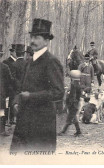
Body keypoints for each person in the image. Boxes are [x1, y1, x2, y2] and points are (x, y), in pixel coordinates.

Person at [10, 18, 64, 153]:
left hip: (42, 124)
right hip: (23, 122)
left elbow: (58, 92)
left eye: (37, 37)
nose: (32, 41)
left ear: (46, 41)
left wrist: (31, 96)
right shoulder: (28, 61)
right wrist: (16, 100)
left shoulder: (51, 61)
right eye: (32, 37)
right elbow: (21, 87)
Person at [58, 70, 82, 136]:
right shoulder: (78, 85)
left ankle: (63, 131)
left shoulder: (73, 84)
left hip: (72, 104)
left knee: (69, 119)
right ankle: (78, 131)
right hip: (75, 104)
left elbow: (72, 96)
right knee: (74, 118)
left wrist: (68, 104)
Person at [0, 44, 14, 136]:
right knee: (1, 112)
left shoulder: (5, 67)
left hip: (2, 95)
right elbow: (10, 82)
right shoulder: (5, 67)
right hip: (1, 95)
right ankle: (1, 130)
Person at [3, 44, 17, 125]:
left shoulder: (17, 62)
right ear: (11, 52)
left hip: (14, 87)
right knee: (7, 104)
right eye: (15, 52)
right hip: (8, 86)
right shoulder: (6, 62)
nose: (16, 54)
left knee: (13, 103)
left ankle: (12, 119)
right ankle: (5, 120)